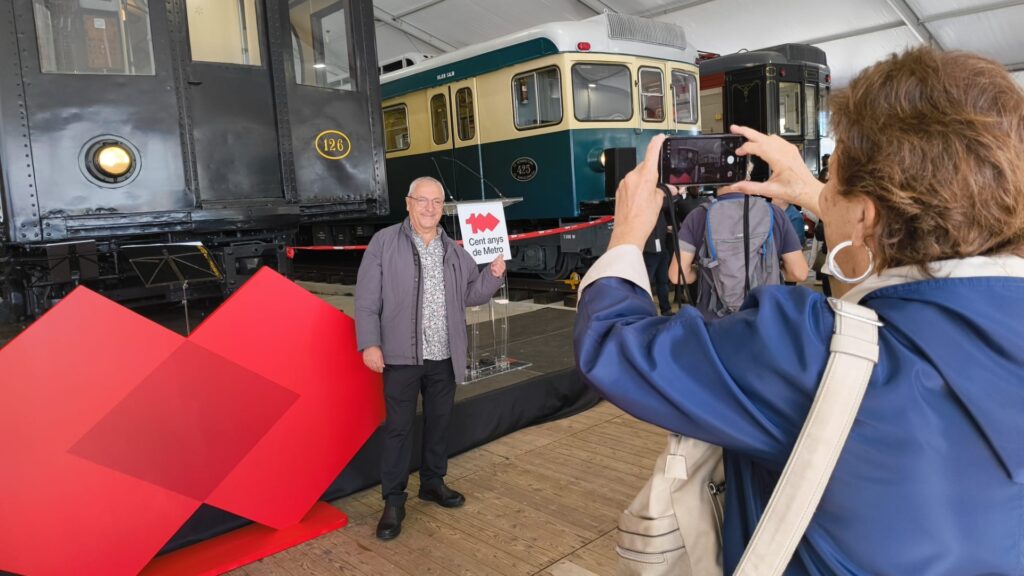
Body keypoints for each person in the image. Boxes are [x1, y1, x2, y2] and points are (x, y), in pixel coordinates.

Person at [574, 46, 1024, 574]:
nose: (823, 194)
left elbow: (613, 343)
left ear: (866, 214)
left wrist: (628, 231)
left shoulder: (806, 351)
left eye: (832, 183)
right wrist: (818, 194)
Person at [355, 176, 505, 541]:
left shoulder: (453, 250)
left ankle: (433, 483)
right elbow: (367, 299)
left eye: (437, 202)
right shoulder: (384, 243)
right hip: (401, 355)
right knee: (399, 428)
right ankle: (393, 501)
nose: (430, 208)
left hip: (444, 354)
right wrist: (370, 343)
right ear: (408, 203)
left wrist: (493, 274)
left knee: (439, 422)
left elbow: (471, 294)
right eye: (422, 200)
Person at [667, 187, 808, 319]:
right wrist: (772, 273)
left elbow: (676, 275)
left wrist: (701, 271)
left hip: (715, 321)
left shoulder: (698, 216)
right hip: (764, 317)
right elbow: (799, 273)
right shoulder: (774, 213)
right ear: (747, 175)